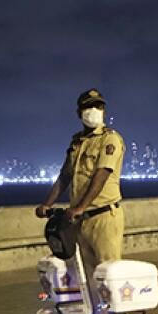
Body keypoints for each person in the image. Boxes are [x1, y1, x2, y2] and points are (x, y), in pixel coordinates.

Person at [35, 88, 125, 290]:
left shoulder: (109, 139)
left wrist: (80, 207)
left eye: (98, 106)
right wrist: (46, 204)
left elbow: (101, 175)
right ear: (79, 113)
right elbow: (65, 176)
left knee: (108, 271)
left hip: (103, 216)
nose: (93, 110)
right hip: (79, 220)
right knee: (86, 273)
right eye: (88, 107)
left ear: (104, 110)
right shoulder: (77, 142)